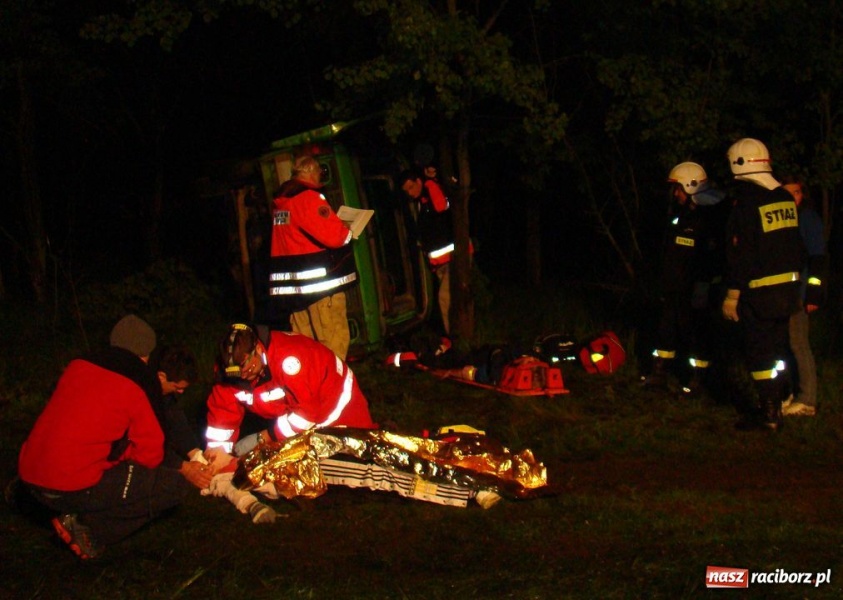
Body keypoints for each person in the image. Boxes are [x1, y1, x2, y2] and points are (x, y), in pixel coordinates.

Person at [17, 315, 207, 559]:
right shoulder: (139, 380)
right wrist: (123, 456)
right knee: (173, 486)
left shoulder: (79, 364)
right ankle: (88, 530)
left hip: (29, 475)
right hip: (68, 484)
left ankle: (31, 502)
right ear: (146, 354)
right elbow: (151, 455)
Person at [721, 139, 806, 431]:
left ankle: (769, 413)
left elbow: (740, 253)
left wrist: (733, 294)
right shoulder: (784, 198)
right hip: (788, 292)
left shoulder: (747, 203)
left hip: (759, 293)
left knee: (760, 353)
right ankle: (781, 398)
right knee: (778, 350)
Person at [642, 162, 729, 397]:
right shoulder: (679, 216)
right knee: (666, 330)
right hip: (674, 288)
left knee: (698, 334)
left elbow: (713, 258)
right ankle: (659, 373)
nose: (676, 194)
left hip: (696, 290)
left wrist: (704, 286)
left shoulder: (709, 219)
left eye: (678, 189)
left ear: (690, 186)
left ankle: (700, 380)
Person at [267, 155, 358, 360]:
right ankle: (333, 378)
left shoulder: (282, 204)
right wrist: (349, 231)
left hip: (296, 294)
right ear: (308, 171)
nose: (320, 175)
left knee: (305, 347)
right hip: (321, 290)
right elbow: (335, 237)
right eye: (319, 171)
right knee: (333, 340)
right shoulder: (308, 198)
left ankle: (313, 380)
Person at [780, 175, 827, 417]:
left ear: (803, 194)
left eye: (796, 192)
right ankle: (791, 391)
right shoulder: (783, 218)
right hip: (782, 292)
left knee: (798, 343)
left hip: (799, 292)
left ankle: (808, 398)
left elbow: (818, 258)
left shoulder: (808, 218)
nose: (792, 197)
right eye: (787, 192)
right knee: (786, 344)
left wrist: (813, 293)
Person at [399, 168, 457, 336]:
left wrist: (430, 182)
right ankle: (452, 337)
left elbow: (441, 207)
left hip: (452, 260)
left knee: (444, 299)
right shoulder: (420, 203)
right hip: (439, 263)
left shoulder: (431, 190)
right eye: (407, 191)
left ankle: (453, 338)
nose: (410, 193)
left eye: (411, 187)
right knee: (447, 301)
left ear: (419, 181)